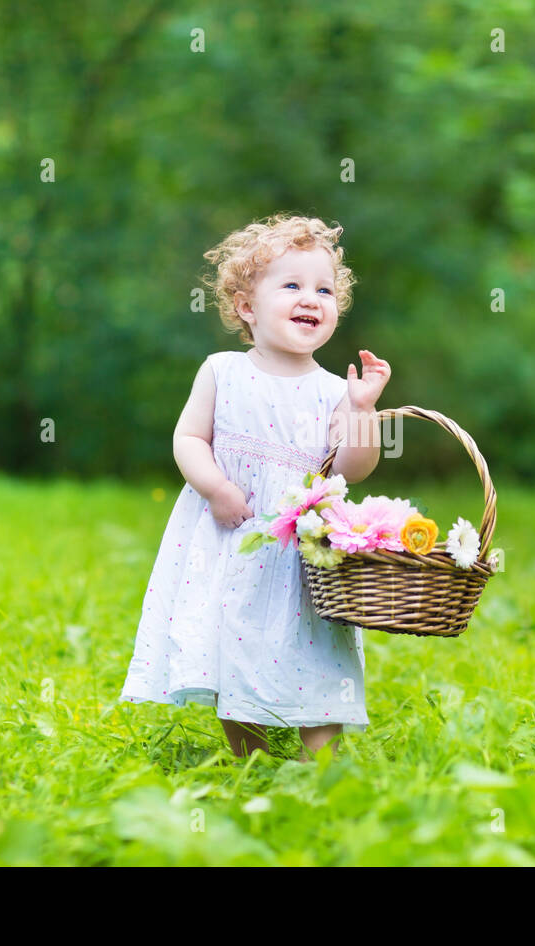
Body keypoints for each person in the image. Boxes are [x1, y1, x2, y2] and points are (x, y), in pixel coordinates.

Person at [118, 213, 392, 761]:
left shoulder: (336, 390)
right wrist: (216, 487)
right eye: (290, 285)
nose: (309, 297)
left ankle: (323, 761)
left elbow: (354, 469)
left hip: (303, 550)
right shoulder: (223, 371)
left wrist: (364, 410)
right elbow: (189, 438)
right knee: (234, 639)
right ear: (247, 307)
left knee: (317, 647)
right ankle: (252, 757)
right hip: (234, 534)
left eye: (323, 288)